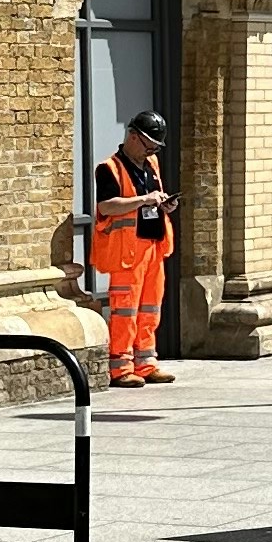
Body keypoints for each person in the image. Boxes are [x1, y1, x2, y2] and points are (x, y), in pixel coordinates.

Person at [91, 107, 177, 387]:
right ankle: (120, 367)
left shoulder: (151, 165)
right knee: (125, 309)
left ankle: (146, 363)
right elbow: (106, 206)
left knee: (151, 308)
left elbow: (150, 201)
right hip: (127, 253)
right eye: (148, 145)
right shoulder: (109, 169)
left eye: (155, 148)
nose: (151, 152)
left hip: (152, 247)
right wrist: (143, 200)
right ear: (132, 136)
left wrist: (164, 205)